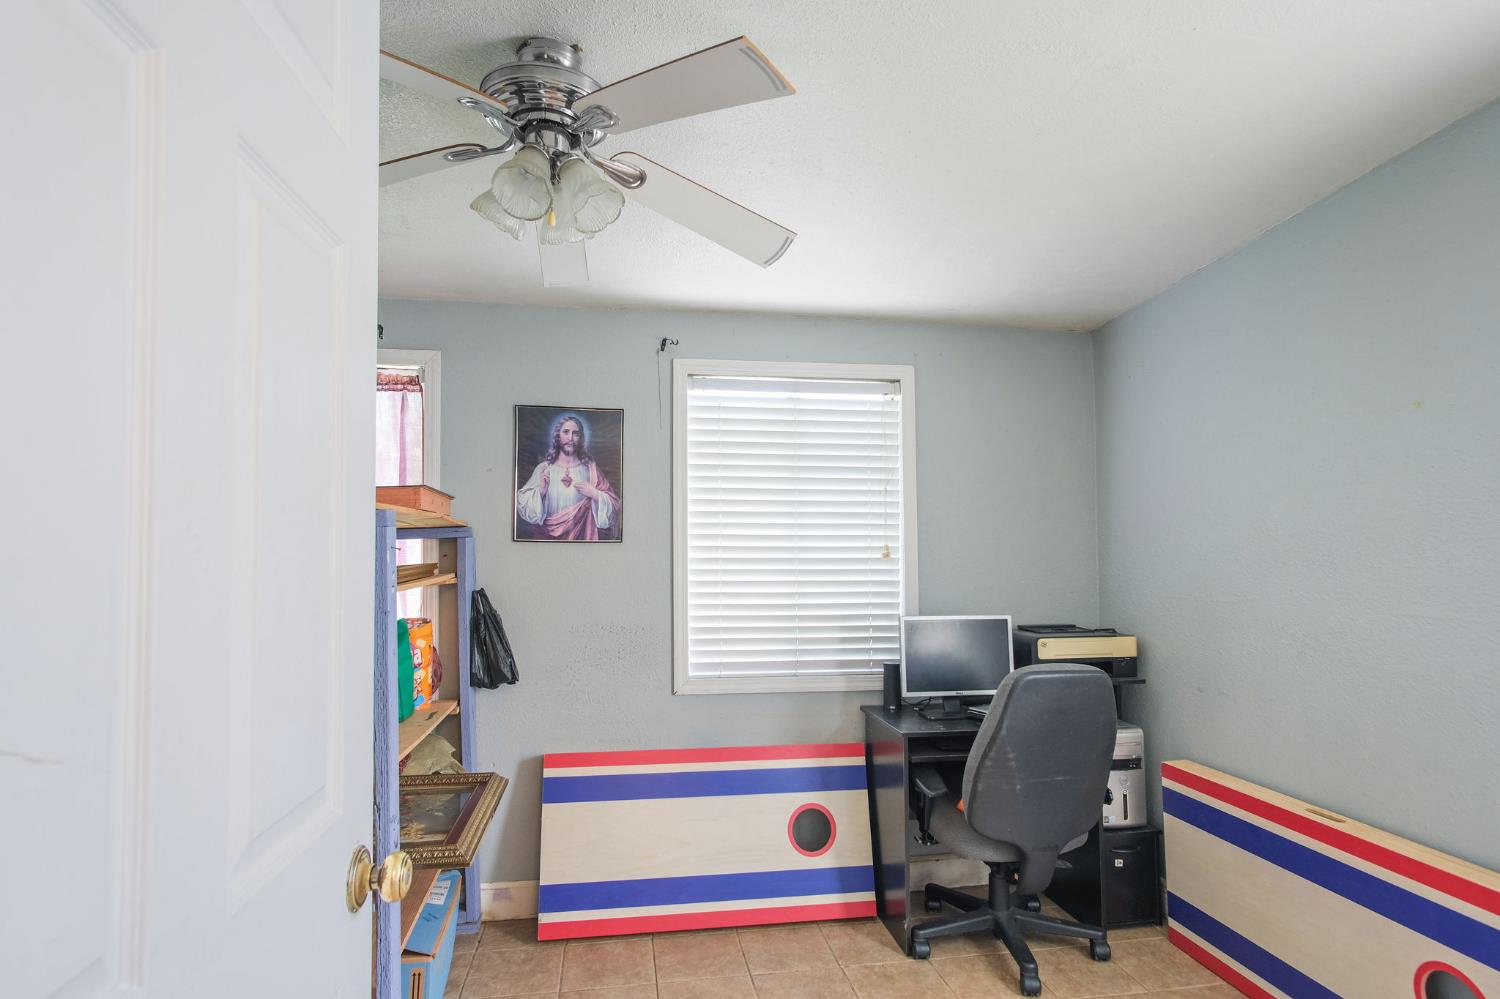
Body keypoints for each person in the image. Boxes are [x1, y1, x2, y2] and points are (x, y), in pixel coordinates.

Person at [516, 414, 620, 540]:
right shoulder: (544, 469)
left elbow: (615, 505)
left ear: (580, 438)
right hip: (546, 541)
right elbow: (522, 503)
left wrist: (595, 494)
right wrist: (540, 492)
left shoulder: (591, 470)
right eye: (566, 432)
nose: (570, 438)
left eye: (575, 433)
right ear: (558, 436)